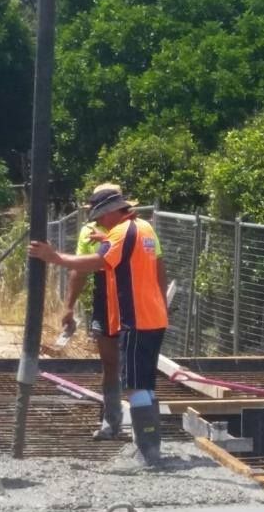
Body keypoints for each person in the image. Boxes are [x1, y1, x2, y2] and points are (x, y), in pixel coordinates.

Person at [29, 189, 169, 464]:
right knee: (145, 383)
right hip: (153, 316)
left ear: (110, 212)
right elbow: (132, 255)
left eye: (100, 217)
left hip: (136, 318)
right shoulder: (143, 227)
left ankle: (148, 454)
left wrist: (54, 257)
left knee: (135, 387)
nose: (99, 223)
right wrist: (106, 239)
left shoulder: (121, 233)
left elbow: (97, 262)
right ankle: (149, 447)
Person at [62, 183, 148, 440]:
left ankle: (143, 427)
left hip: (131, 298)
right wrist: (68, 306)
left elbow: (154, 265)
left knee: (135, 365)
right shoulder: (89, 231)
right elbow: (79, 271)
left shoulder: (136, 230)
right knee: (109, 363)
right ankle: (111, 422)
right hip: (104, 297)